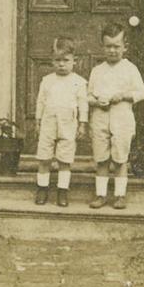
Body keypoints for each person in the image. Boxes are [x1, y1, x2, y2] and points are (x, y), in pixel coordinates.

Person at [87, 22, 144, 209]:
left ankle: (120, 195)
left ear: (124, 47)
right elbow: (88, 96)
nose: (112, 50)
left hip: (122, 119)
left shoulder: (130, 69)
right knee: (101, 158)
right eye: (108, 46)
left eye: (116, 46)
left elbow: (141, 92)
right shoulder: (97, 71)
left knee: (120, 158)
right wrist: (96, 102)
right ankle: (101, 194)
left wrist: (124, 96)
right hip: (100, 118)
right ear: (102, 47)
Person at [33, 36, 89, 206]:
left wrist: (82, 123)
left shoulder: (78, 82)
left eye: (66, 60)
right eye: (57, 60)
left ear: (74, 61)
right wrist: (37, 121)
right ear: (52, 61)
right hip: (48, 122)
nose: (61, 64)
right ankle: (42, 189)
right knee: (44, 158)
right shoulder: (47, 81)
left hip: (68, 124)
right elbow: (40, 101)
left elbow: (83, 104)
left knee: (65, 160)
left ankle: (62, 191)